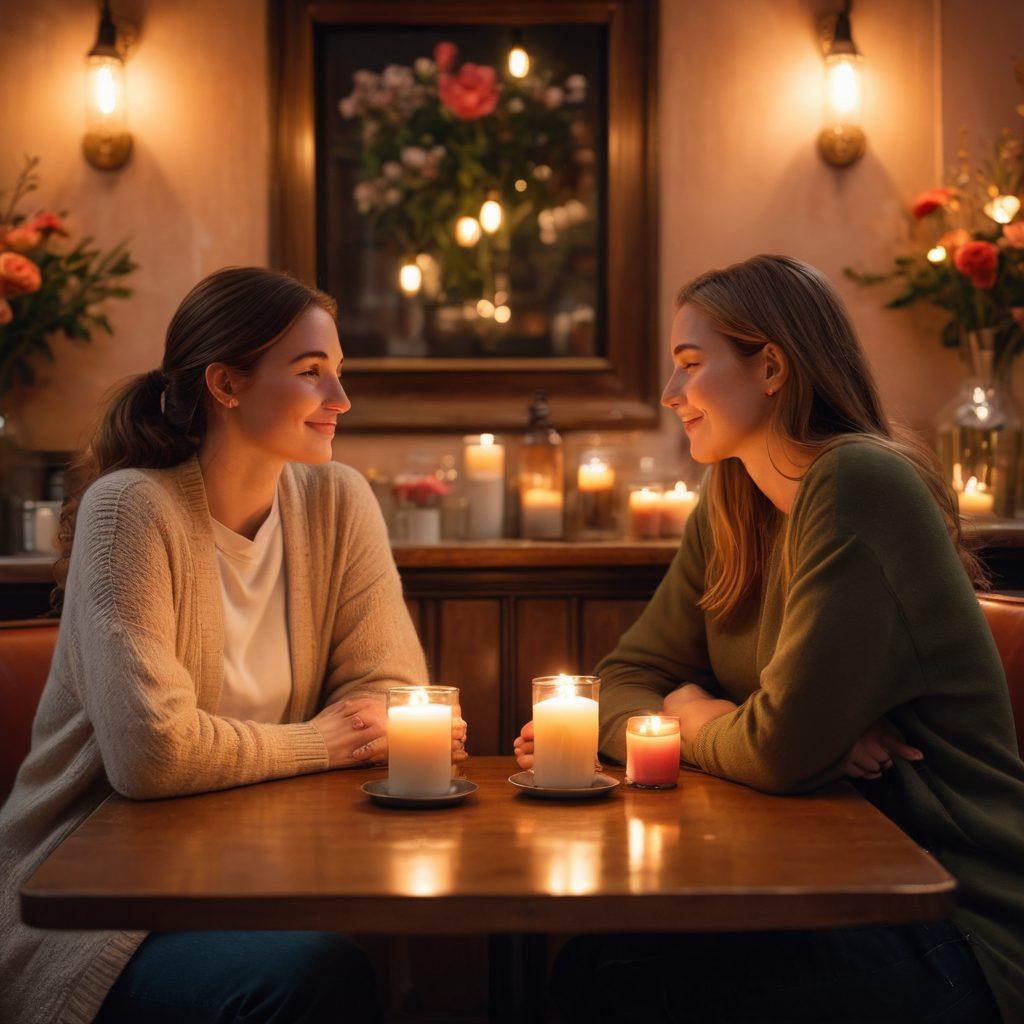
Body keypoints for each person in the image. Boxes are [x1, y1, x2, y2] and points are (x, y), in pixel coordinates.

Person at [515, 255, 1023, 1022]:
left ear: (773, 366)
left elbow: (780, 750)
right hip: (835, 888)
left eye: (690, 365)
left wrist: (692, 713)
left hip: (956, 924)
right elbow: (621, 680)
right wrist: (758, 723)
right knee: (599, 959)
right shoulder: (735, 499)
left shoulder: (858, 483)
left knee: (614, 979)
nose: (669, 394)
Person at [0, 267, 467, 1024]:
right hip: (106, 904)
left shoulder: (337, 498)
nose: (340, 401)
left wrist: (361, 727)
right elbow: (152, 755)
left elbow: (390, 689)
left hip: (263, 870)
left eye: (339, 374)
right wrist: (321, 742)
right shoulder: (130, 512)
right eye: (313, 374)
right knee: (318, 973)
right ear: (226, 384)